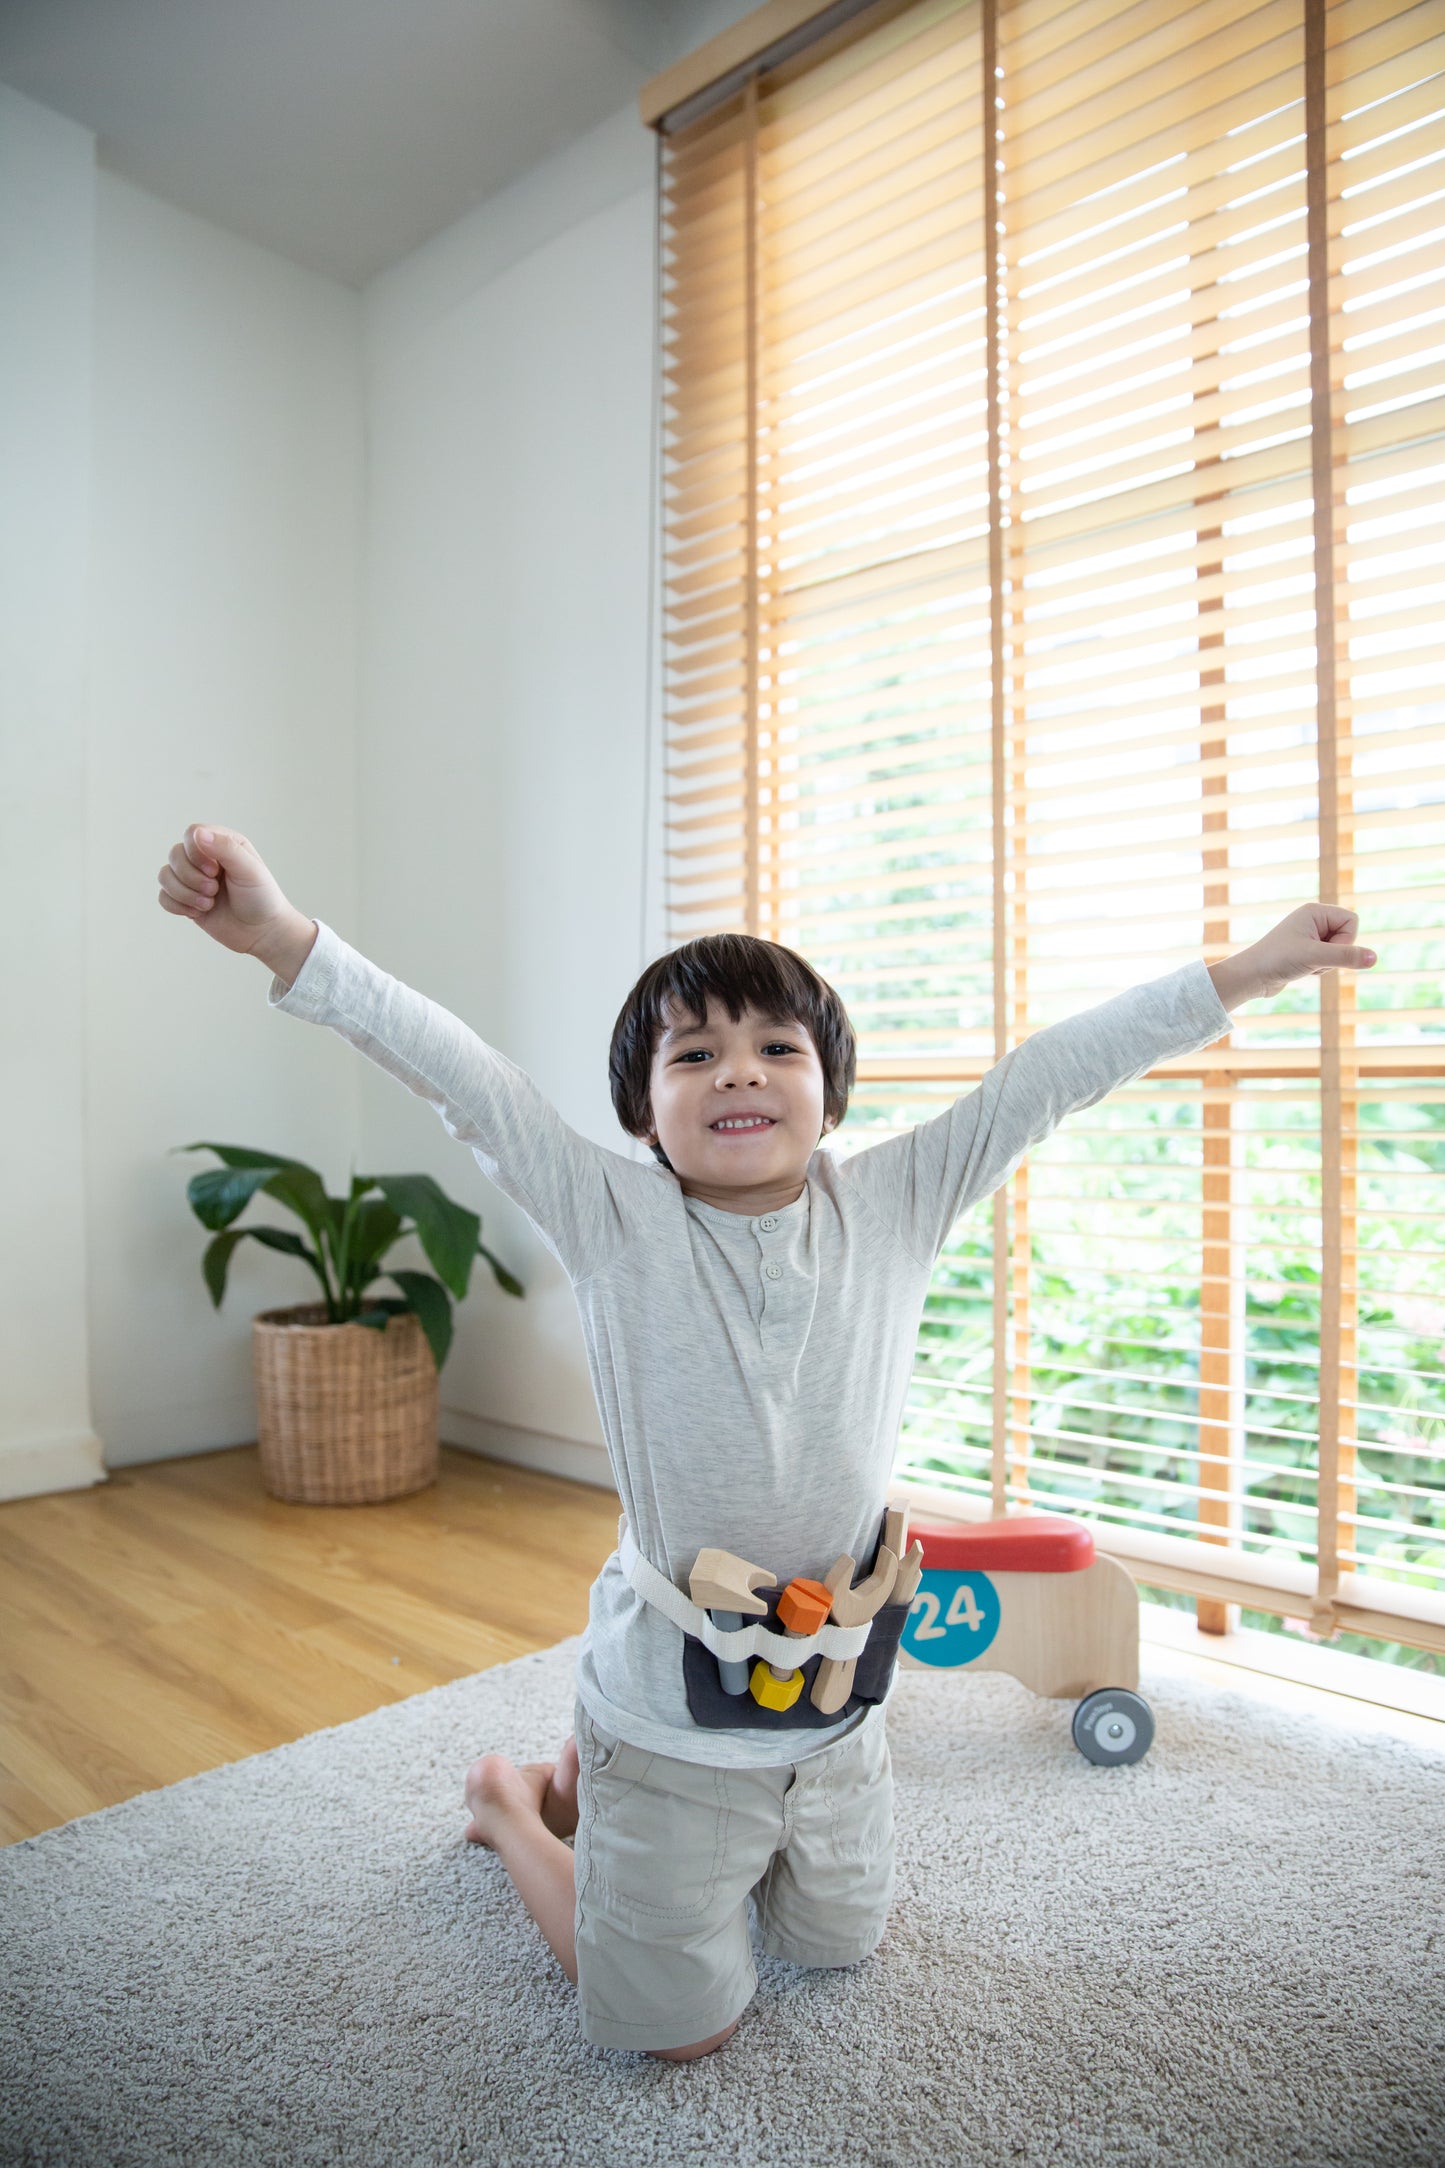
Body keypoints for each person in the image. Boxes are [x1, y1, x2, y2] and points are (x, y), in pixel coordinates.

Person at [158, 822, 1376, 2060]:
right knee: (678, 2034)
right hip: (671, 1716)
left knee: (833, 1948)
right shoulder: (611, 1217)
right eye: (694, 1054)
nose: (738, 1071)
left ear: (828, 1094)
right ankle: (511, 1805)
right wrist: (279, 936)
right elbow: (457, 1072)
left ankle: (590, 1790)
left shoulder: (896, 1199)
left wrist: (1246, 972)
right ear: (642, 1111)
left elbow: (1048, 1073)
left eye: (774, 1046)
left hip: (837, 1713)